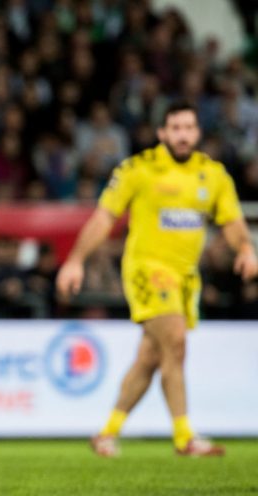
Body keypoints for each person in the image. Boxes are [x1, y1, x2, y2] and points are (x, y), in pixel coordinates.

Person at [56, 102, 258, 458]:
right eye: (175, 128)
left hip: (185, 277)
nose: (182, 134)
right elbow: (104, 218)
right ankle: (185, 437)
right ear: (162, 133)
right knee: (176, 343)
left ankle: (107, 433)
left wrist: (245, 249)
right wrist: (75, 260)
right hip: (147, 269)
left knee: (151, 356)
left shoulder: (213, 176)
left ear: (197, 133)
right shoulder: (139, 169)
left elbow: (231, 221)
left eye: (189, 128)